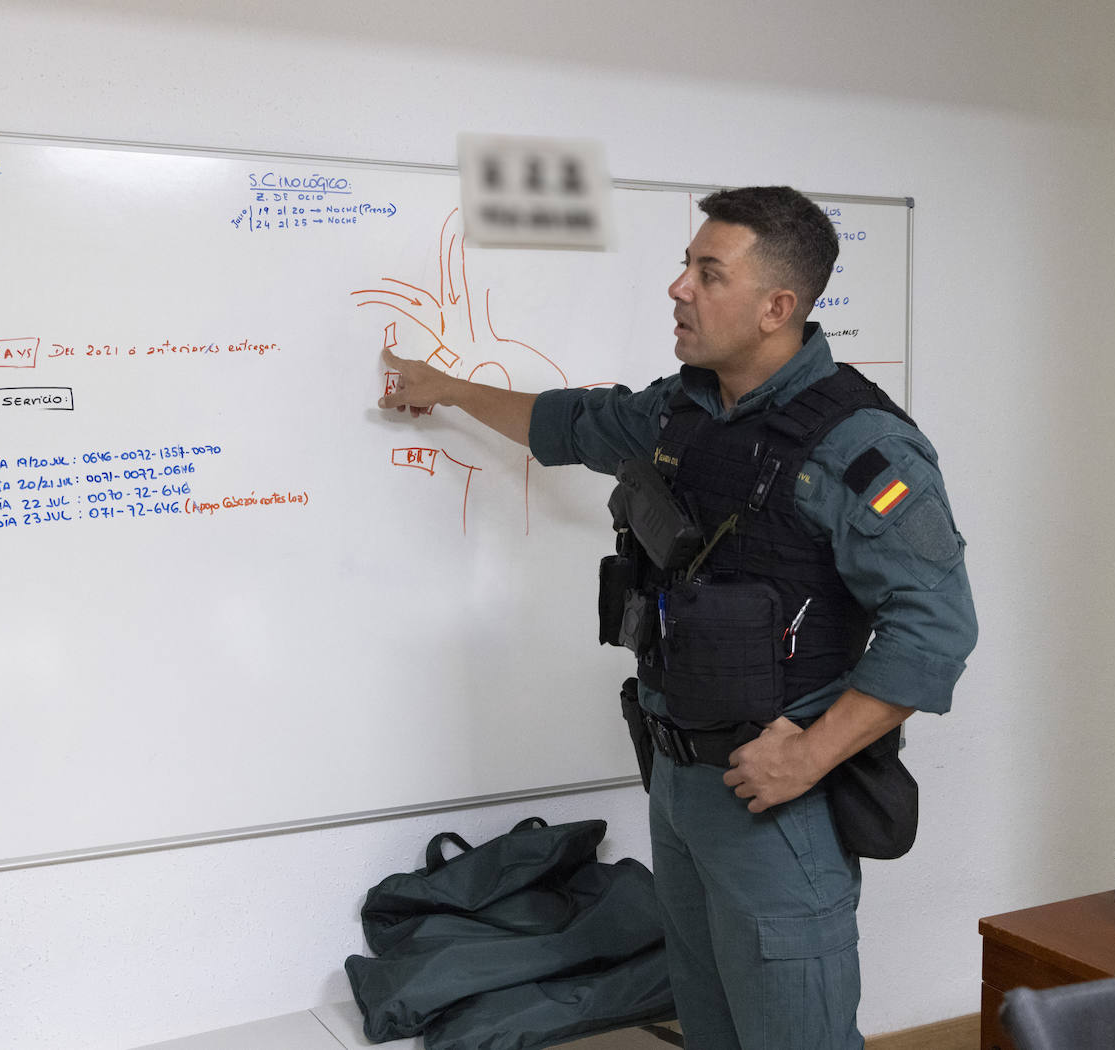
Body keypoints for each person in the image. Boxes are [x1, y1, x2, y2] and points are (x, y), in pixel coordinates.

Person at [376, 185, 977, 1050]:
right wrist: (445, 387)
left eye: (708, 272)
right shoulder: (678, 410)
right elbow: (567, 423)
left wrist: (809, 753)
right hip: (679, 786)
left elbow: (937, 627)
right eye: (685, 267)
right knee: (711, 1029)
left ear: (778, 307)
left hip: (778, 806)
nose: (679, 289)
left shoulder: (859, 446)